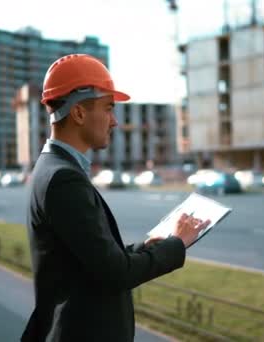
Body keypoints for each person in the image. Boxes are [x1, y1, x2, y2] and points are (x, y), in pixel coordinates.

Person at [21, 54, 210, 342]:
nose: (115, 121)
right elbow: (115, 274)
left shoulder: (55, 167)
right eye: (108, 108)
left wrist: (144, 247)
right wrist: (177, 243)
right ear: (79, 113)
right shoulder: (63, 178)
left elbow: (90, 258)